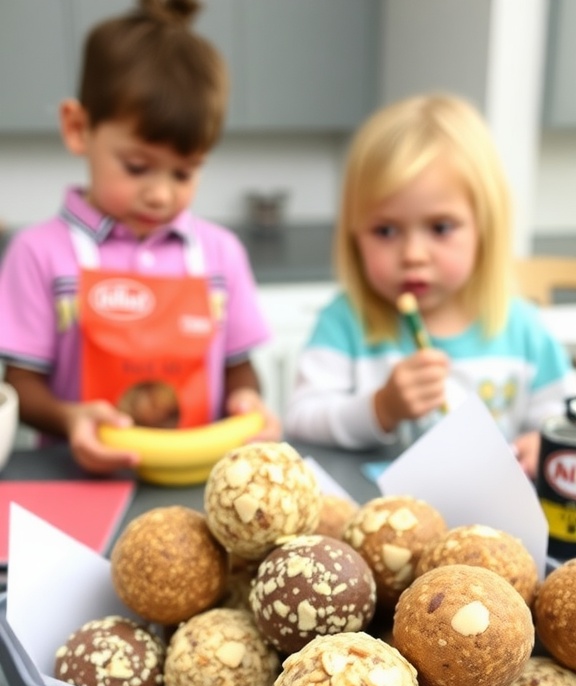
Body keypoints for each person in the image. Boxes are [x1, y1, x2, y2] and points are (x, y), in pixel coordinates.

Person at [0, 0, 281, 476]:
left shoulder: (220, 253)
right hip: (79, 480)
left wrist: (247, 399)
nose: (160, 194)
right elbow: (21, 384)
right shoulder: (39, 253)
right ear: (77, 128)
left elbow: (239, 365)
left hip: (199, 478)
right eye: (136, 167)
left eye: (184, 172)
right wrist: (69, 418)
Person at [284, 92, 575, 479]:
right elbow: (301, 420)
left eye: (440, 228)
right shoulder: (344, 323)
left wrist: (545, 443)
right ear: (355, 236)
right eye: (386, 230)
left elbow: (563, 418)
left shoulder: (522, 329)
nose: (413, 254)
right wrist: (381, 409)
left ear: (483, 229)